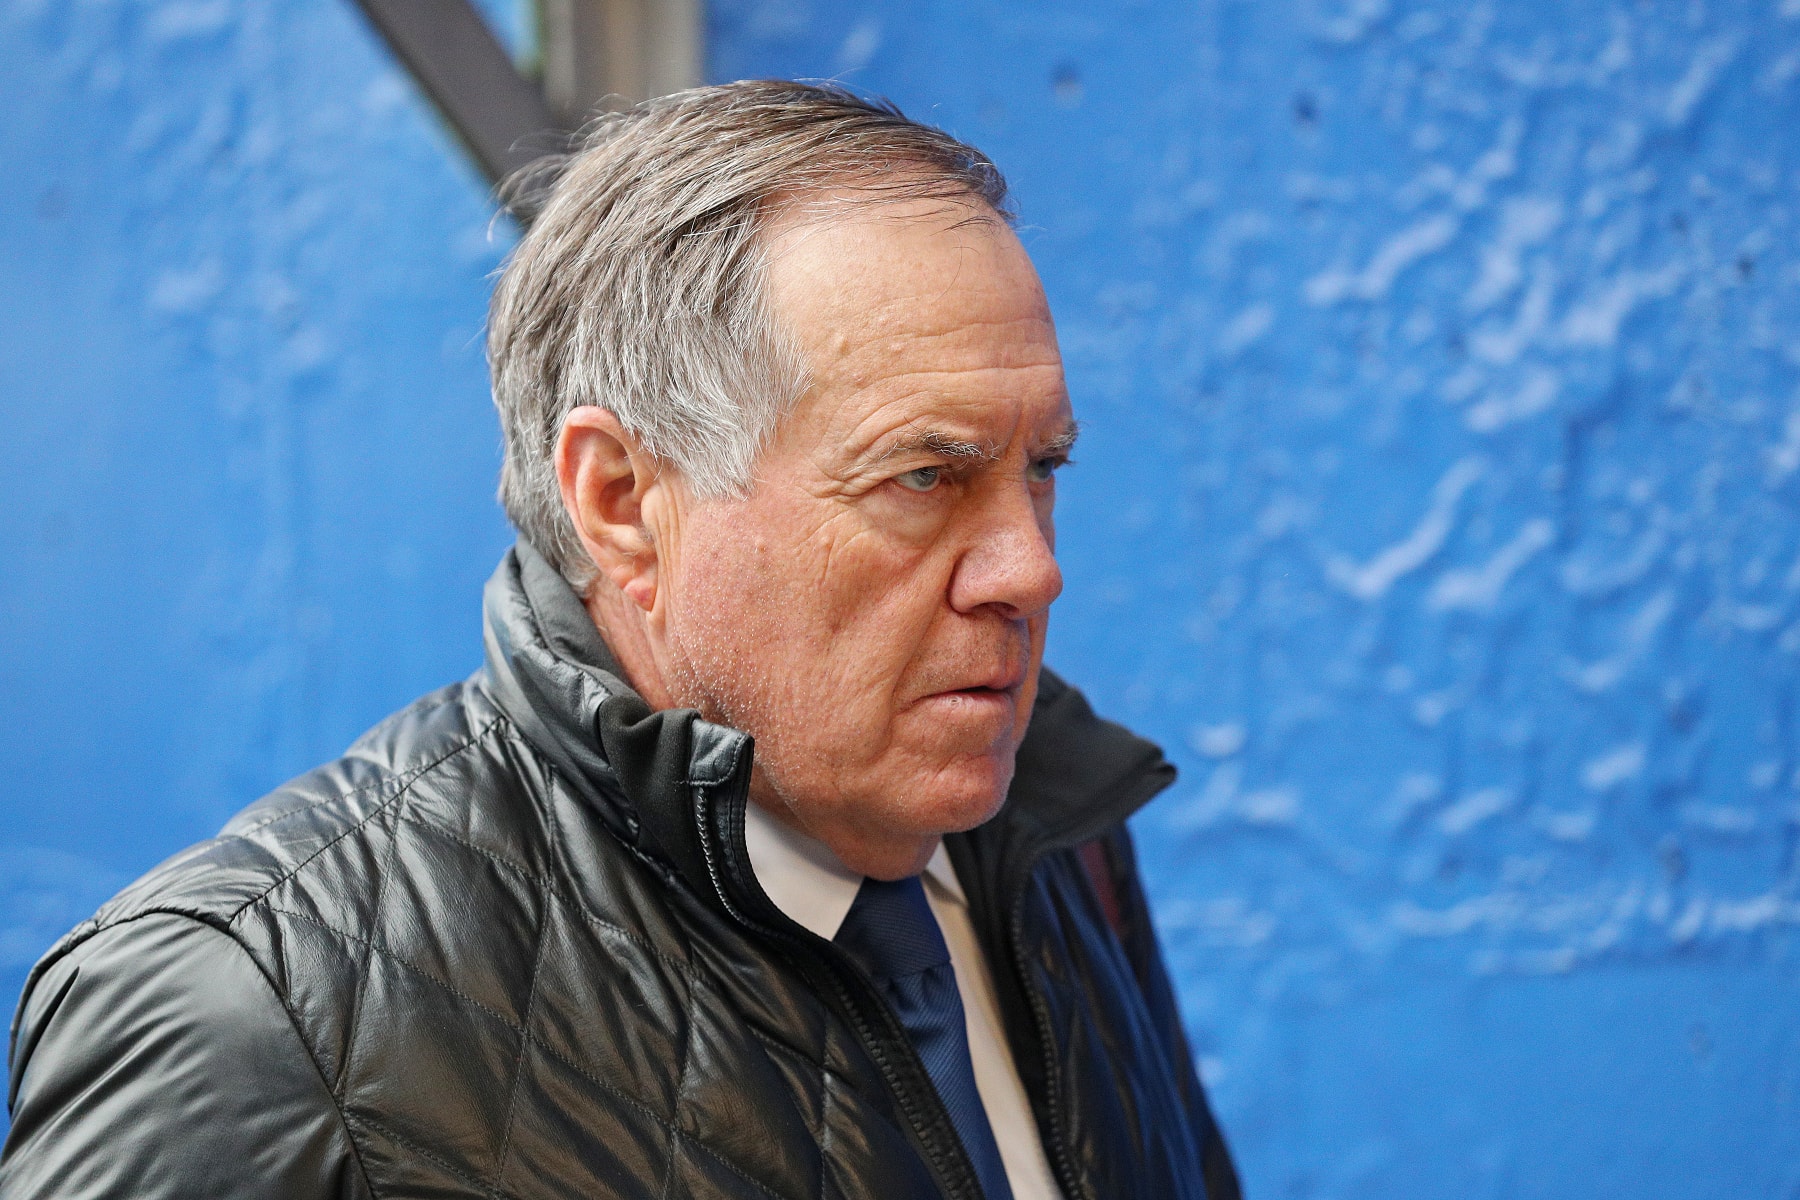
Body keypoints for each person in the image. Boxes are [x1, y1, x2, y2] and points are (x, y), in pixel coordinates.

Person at [1, 81, 1238, 1199]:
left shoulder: (1049, 840)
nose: (1032, 566)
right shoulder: (262, 1021)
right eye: (925, 477)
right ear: (620, 500)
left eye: (1043, 469)